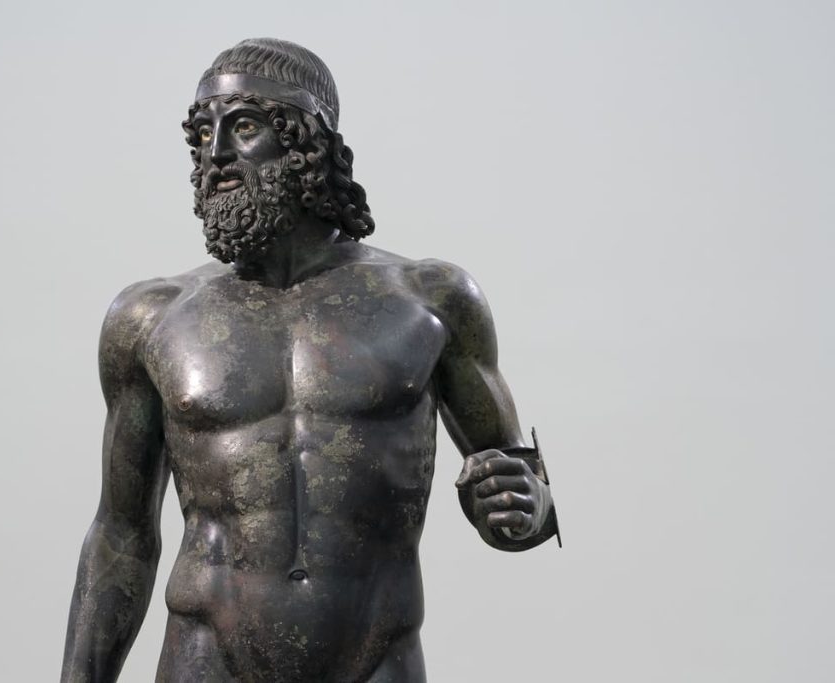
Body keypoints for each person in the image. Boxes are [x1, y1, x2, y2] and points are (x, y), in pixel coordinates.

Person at [61, 38, 559, 683]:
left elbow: (513, 480)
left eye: (244, 127)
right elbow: (121, 534)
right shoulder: (152, 318)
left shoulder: (430, 301)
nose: (215, 155)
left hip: (375, 657)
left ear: (310, 143)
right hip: (205, 659)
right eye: (202, 135)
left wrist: (525, 508)